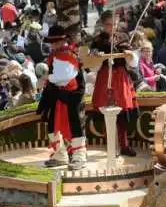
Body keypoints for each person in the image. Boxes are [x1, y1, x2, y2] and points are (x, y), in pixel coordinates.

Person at [35, 25, 87, 170]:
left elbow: (63, 78)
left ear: (64, 40)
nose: (54, 44)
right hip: (57, 96)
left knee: (74, 126)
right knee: (53, 126)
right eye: (52, 42)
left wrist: (46, 78)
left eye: (57, 41)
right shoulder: (57, 54)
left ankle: (79, 156)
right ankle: (60, 155)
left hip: (71, 96)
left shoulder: (67, 54)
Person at [89, 12, 138, 157]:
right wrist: (97, 56)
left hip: (121, 76)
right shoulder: (97, 40)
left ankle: (124, 146)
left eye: (115, 23)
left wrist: (130, 55)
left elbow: (133, 62)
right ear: (104, 25)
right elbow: (92, 66)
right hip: (105, 76)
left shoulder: (124, 37)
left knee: (122, 113)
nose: (113, 27)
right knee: (106, 112)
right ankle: (111, 146)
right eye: (110, 24)